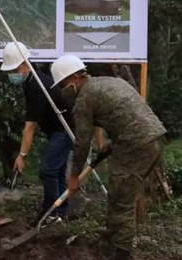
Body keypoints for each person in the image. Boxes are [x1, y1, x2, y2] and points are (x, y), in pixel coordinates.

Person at [50, 54, 167, 259]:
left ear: (76, 78)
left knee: (122, 199)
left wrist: (74, 176)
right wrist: (113, 144)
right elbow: (126, 114)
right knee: (119, 193)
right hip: (154, 138)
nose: (62, 91)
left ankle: (121, 253)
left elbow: (82, 143)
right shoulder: (109, 81)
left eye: (63, 85)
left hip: (135, 144)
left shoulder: (84, 98)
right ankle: (111, 237)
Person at [0, 42, 75, 223]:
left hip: (64, 129)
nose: (13, 74)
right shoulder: (30, 81)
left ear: (26, 64)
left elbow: (30, 126)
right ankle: (61, 212)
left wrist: (22, 155)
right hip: (56, 129)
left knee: (48, 171)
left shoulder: (36, 86)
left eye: (15, 69)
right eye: (10, 71)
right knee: (56, 171)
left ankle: (50, 212)